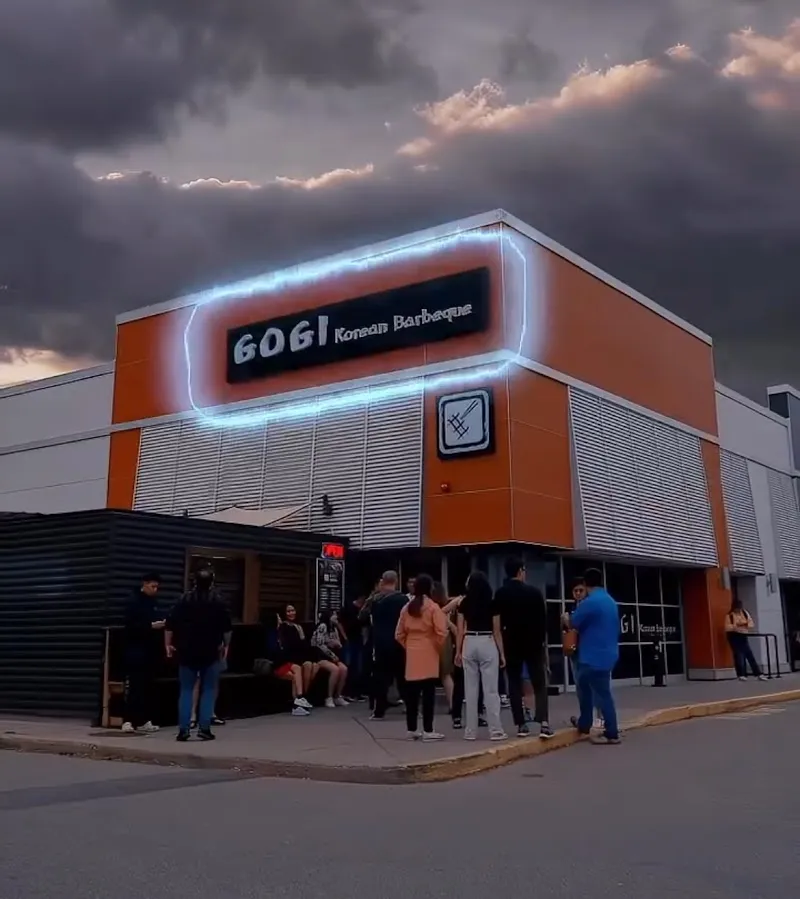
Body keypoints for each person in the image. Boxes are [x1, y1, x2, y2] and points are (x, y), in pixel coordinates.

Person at [165, 565, 232, 741]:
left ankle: (184, 729)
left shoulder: (184, 600)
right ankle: (204, 728)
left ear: (194, 582)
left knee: (186, 689)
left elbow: (170, 623)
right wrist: (226, 645)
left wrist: (168, 644)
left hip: (186, 649)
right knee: (208, 689)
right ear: (212, 583)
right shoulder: (218, 601)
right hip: (210, 650)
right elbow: (227, 628)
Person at [494, 556, 553, 739]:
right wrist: (543, 646)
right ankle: (543, 722)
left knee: (514, 683)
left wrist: (501, 650)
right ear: (520, 571)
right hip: (534, 644)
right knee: (539, 683)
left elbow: (497, 624)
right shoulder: (534, 593)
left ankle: (521, 724)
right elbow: (543, 623)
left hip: (511, 643)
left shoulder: (501, 593)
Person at [562, 567, 620, 745]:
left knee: (597, 693)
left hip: (592, 657)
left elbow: (572, 622)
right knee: (587, 688)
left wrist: (565, 618)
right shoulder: (610, 600)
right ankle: (584, 723)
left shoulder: (590, 602)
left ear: (586, 584)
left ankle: (611, 732)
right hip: (608, 654)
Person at [395, 573, 449, 740]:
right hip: (429, 651)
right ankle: (428, 730)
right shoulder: (433, 607)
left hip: (412, 653)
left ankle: (411, 729)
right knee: (428, 694)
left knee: (412, 694)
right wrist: (435, 647)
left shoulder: (407, 608)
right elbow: (442, 632)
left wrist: (409, 646)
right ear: (430, 588)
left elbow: (399, 634)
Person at [455, 570, 507, 741]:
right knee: (491, 690)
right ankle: (495, 730)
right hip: (487, 641)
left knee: (470, 690)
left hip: (469, 641)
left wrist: (458, 651)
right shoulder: (493, 603)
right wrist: (502, 653)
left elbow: (460, 630)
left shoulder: (464, 603)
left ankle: (470, 731)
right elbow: (497, 631)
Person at [121, 573, 165, 734]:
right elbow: (130, 626)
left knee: (148, 686)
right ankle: (127, 720)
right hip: (136, 649)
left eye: (157, 587)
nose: (155, 590)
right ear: (144, 584)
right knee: (135, 685)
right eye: (153, 586)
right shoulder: (133, 601)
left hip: (151, 649)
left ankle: (143, 719)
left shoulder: (154, 602)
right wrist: (150, 626)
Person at [563, 577, 603, 730]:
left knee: (595, 684)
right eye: (575, 591)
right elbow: (568, 629)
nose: (578, 593)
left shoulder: (591, 606)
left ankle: (599, 717)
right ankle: (585, 717)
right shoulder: (572, 608)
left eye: (581, 590)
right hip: (576, 650)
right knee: (580, 685)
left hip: (591, 650)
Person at [369, 571, 409, 720]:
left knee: (381, 677)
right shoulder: (403, 599)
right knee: (403, 677)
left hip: (380, 642)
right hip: (398, 642)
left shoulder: (376, 600)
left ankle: (378, 711)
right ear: (396, 581)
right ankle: (410, 707)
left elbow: (368, 618)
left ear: (383, 581)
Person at [264, 613, 313, 716]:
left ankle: (298, 702)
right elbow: (273, 652)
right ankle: (298, 701)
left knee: (296, 671)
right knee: (295, 673)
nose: (280, 620)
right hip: (277, 665)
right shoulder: (272, 635)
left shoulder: (282, 632)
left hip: (285, 663)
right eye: (278, 618)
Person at [278, 605, 319, 699]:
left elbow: (305, 645)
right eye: (288, 611)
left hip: (301, 656)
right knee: (307, 665)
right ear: (284, 613)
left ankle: (305, 694)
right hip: (291, 657)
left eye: (293, 610)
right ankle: (302, 696)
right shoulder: (284, 626)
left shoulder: (299, 626)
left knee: (313, 665)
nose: (291, 613)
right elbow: (289, 645)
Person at [311, 610, 350, 707]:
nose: (336, 617)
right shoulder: (322, 626)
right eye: (334, 614)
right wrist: (332, 654)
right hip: (320, 656)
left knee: (344, 669)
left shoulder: (334, 628)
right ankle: (329, 697)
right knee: (335, 670)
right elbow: (319, 644)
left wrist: (336, 643)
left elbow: (338, 643)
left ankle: (338, 696)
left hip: (332, 656)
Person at [725, 599, 767, 681]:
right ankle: (741, 674)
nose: (738, 610)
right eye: (737, 609)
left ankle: (758, 673)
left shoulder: (744, 613)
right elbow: (727, 627)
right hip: (734, 635)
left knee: (749, 653)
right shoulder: (730, 615)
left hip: (743, 635)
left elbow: (751, 623)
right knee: (738, 654)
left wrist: (745, 624)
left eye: (739, 608)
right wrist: (736, 626)